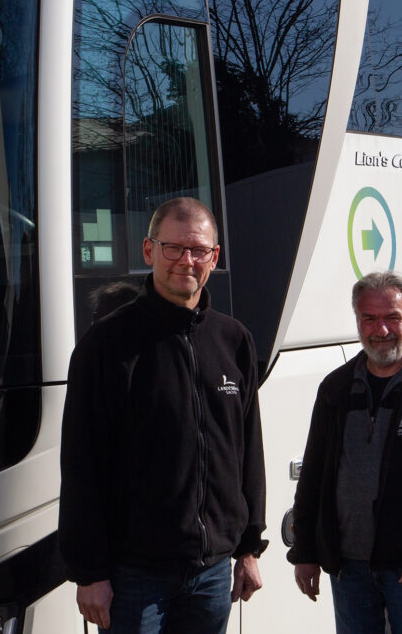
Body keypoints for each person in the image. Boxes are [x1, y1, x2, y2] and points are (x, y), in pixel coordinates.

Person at [59, 197, 267, 633]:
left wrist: (249, 548)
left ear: (215, 257)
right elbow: (81, 466)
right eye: (173, 248)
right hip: (135, 578)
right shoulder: (106, 346)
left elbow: (247, 454)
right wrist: (90, 572)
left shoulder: (235, 341)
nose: (185, 261)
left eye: (198, 250)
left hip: (212, 578)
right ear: (149, 251)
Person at [286, 271, 402, 634]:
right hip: (348, 570)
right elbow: (315, 478)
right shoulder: (336, 388)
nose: (381, 330)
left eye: (392, 318)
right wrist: (306, 552)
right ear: (357, 321)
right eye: (369, 318)